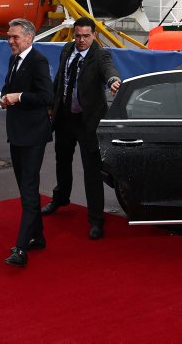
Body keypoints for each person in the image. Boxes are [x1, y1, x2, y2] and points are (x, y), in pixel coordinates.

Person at [41, 17, 121, 239]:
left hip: (88, 122)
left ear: (94, 35)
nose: (82, 40)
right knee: (62, 162)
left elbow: (109, 70)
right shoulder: (67, 50)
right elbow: (60, 79)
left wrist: (113, 80)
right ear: (73, 35)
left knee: (92, 171)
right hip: (65, 118)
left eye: (86, 36)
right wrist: (51, 104)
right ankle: (60, 198)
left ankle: (96, 219)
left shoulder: (100, 55)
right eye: (78, 36)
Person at [0, 18, 54, 267]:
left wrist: (18, 97)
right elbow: (8, 86)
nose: (10, 41)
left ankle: (21, 249)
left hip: (33, 135)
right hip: (17, 133)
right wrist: (5, 97)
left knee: (29, 190)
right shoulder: (14, 60)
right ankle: (38, 237)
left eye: (15, 37)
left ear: (29, 38)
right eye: (9, 37)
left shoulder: (38, 61)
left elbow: (46, 96)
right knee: (25, 188)